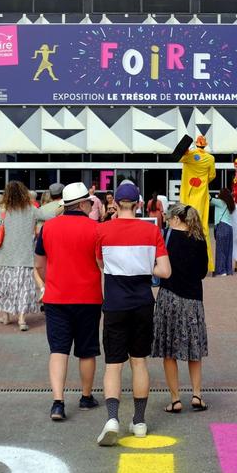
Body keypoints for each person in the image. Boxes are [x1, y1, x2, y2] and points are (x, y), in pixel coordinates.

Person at [95, 182, 172, 445]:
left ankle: (113, 418)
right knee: (139, 362)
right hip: (142, 303)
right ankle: (139, 421)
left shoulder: (102, 230)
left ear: (114, 204)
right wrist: (143, 263)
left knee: (113, 365)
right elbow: (165, 272)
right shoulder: (151, 231)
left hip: (115, 304)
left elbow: (101, 264)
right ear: (139, 204)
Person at [34, 182, 102, 421]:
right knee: (86, 350)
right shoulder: (95, 229)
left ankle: (58, 402)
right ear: (83, 203)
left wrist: (48, 281)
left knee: (58, 350)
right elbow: (101, 264)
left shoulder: (48, 228)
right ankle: (85, 397)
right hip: (88, 296)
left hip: (56, 297)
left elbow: (39, 264)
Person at [152, 204, 210, 413]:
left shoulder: (165, 237)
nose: (167, 220)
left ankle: (175, 399)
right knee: (194, 350)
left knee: (169, 352)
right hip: (193, 300)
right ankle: (196, 395)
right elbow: (203, 271)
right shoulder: (199, 239)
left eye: (168, 217)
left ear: (176, 219)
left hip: (169, 297)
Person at [0, 180, 40, 331]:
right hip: (25, 256)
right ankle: (22, 319)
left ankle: (6, 316)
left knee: (5, 288)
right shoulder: (31, 209)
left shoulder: (3, 210)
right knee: (24, 288)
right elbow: (47, 214)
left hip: (6, 257)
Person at [178, 134, 216, 272]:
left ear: (196, 144)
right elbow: (212, 175)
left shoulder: (189, 155)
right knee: (202, 228)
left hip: (187, 197)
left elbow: (178, 157)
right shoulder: (210, 158)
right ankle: (208, 265)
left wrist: (186, 150)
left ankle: (185, 263)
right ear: (205, 145)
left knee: (184, 227)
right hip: (201, 198)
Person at [210, 189, 235, 276]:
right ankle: (228, 270)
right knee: (228, 250)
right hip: (229, 228)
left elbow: (209, 199)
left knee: (220, 250)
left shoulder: (220, 202)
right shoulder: (230, 204)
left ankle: (221, 271)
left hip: (221, 227)